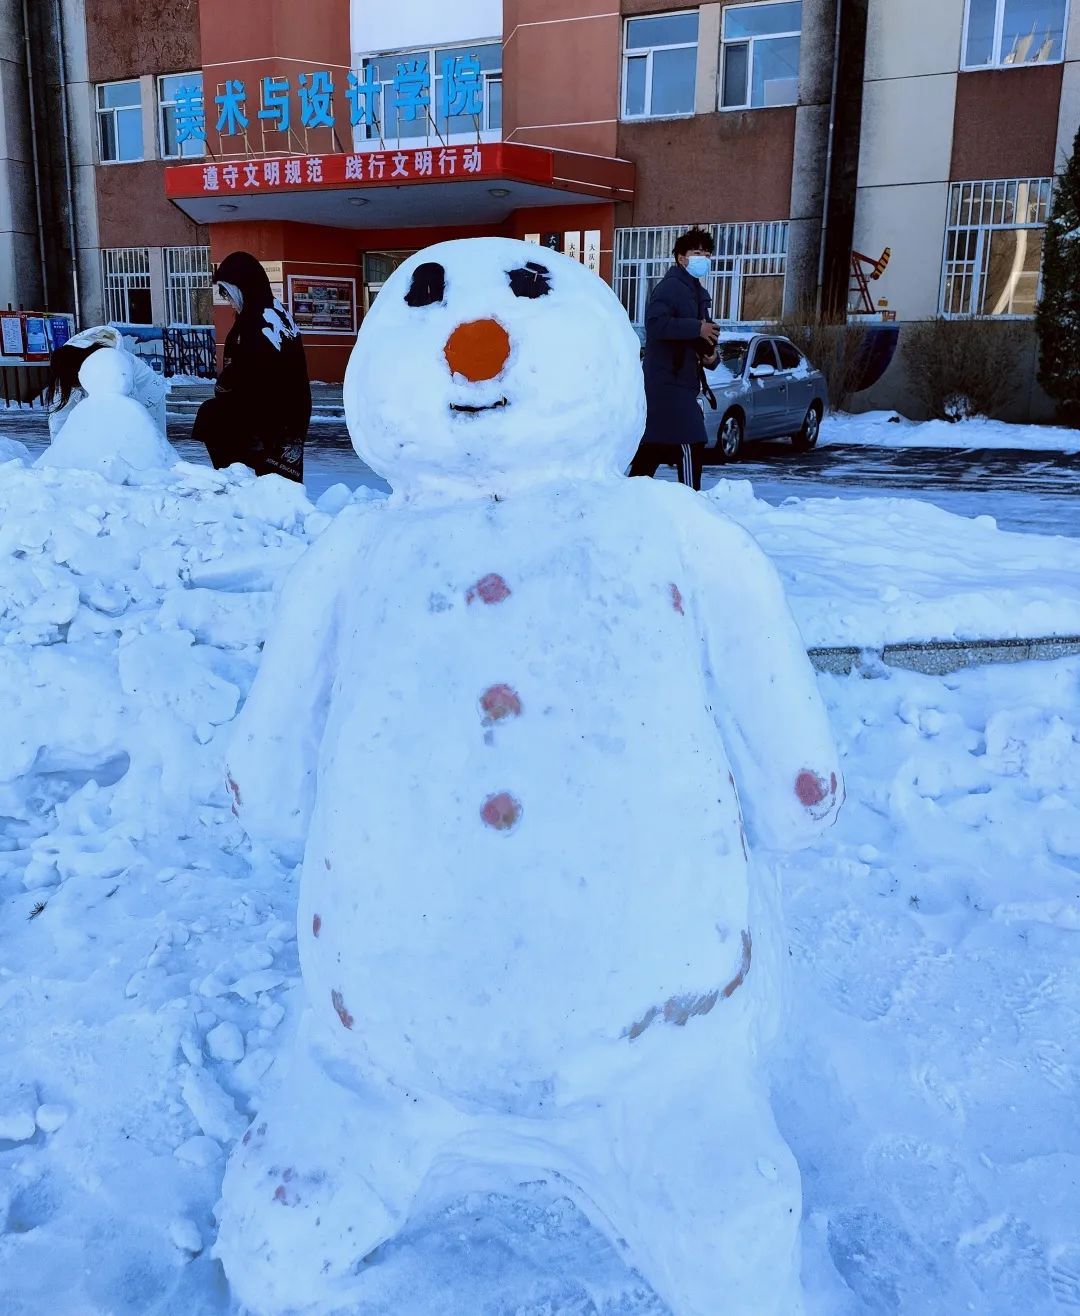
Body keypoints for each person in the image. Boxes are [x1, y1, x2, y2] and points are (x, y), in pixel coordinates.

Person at [193, 251, 311, 483]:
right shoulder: (272, 313)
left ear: (242, 286)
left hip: (268, 421)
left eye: (228, 293)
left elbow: (255, 374)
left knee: (212, 418)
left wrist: (226, 387)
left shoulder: (259, 321)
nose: (227, 301)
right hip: (279, 418)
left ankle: (240, 485)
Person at [628, 227, 720, 492]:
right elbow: (656, 325)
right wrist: (696, 328)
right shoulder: (671, 287)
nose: (703, 258)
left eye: (707, 253)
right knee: (690, 441)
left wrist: (711, 355)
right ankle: (692, 503)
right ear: (681, 258)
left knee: (653, 448)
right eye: (696, 252)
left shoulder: (696, 291)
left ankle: (628, 501)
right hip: (666, 382)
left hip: (681, 380)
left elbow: (703, 335)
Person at [46, 325, 167, 441]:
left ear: (77, 371)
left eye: (71, 381)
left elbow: (123, 415)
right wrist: (56, 450)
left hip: (148, 394)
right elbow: (59, 415)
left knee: (148, 440)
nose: (70, 385)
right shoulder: (65, 366)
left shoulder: (113, 367)